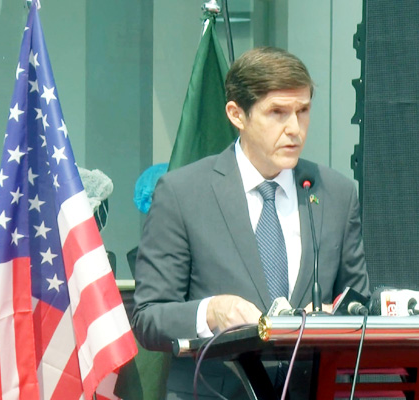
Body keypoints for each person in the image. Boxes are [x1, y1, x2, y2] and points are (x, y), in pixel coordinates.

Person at [131, 47, 370, 399]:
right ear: (236, 114)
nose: (295, 129)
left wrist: (328, 316)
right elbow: (149, 319)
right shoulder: (183, 193)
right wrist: (211, 312)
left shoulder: (335, 193)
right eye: (277, 112)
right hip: (217, 391)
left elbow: (358, 304)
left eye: (303, 111)